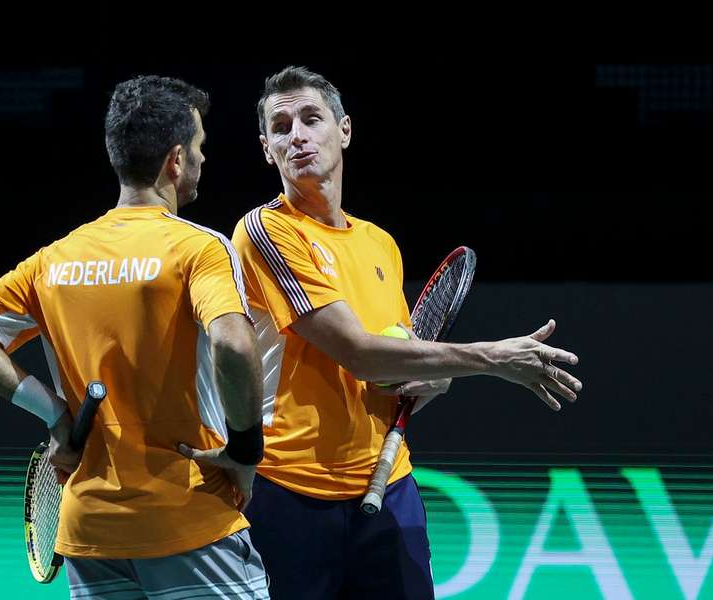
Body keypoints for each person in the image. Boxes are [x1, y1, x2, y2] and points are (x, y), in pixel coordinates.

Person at [206, 65, 580, 600]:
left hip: (389, 489)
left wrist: (431, 382)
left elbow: (395, 373)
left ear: (345, 131)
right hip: (291, 495)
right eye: (281, 126)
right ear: (267, 149)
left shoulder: (381, 243)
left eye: (311, 118)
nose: (298, 135)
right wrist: (491, 360)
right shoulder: (266, 231)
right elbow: (359, 355)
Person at [0, 75, 270, 600]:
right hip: (188, 523)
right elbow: (233, 343)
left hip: (91, 535)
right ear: (175, 160)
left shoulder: (56, 259)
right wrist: (246, 451)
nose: (204, 161)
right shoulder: (199, 249)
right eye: (200, 148)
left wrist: (55, 414)